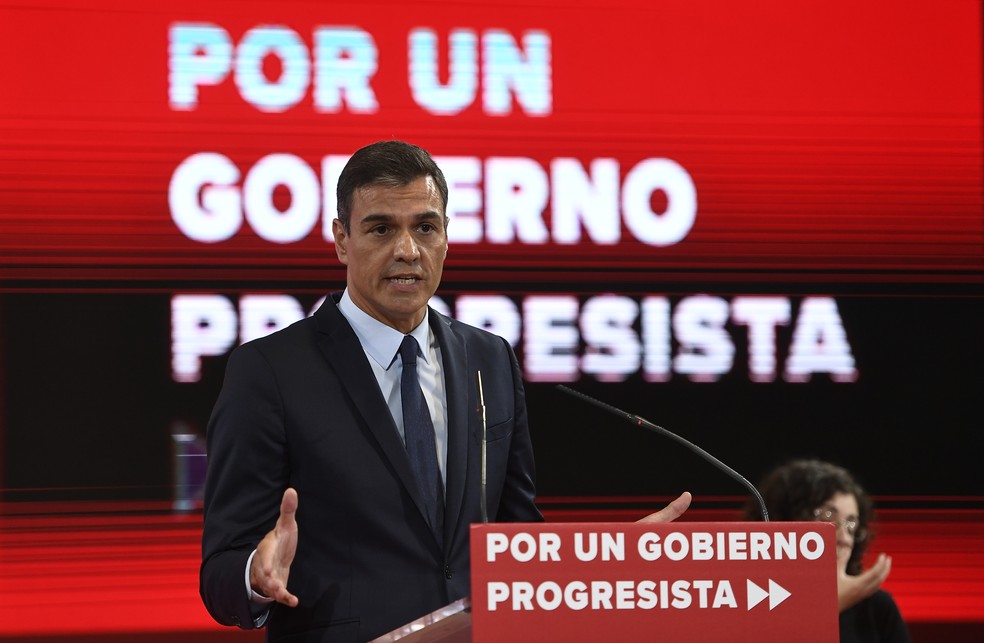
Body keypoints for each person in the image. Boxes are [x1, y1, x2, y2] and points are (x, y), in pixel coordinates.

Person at [199, 140, 692, 642]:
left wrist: (603, 566)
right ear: (342, 240)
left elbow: (516, 541)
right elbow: (221, 569)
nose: (407, 250)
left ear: (446, 239)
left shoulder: (490, 359)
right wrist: (255, 578)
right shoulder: (270, 371)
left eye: (425, 227)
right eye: (381, 228)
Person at [745, 459, 910, 643]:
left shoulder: (877, 608)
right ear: (784, 521)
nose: (844, 538)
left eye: (851, 523)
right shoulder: (747, 603)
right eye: (828, 516)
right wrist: (828, 608)